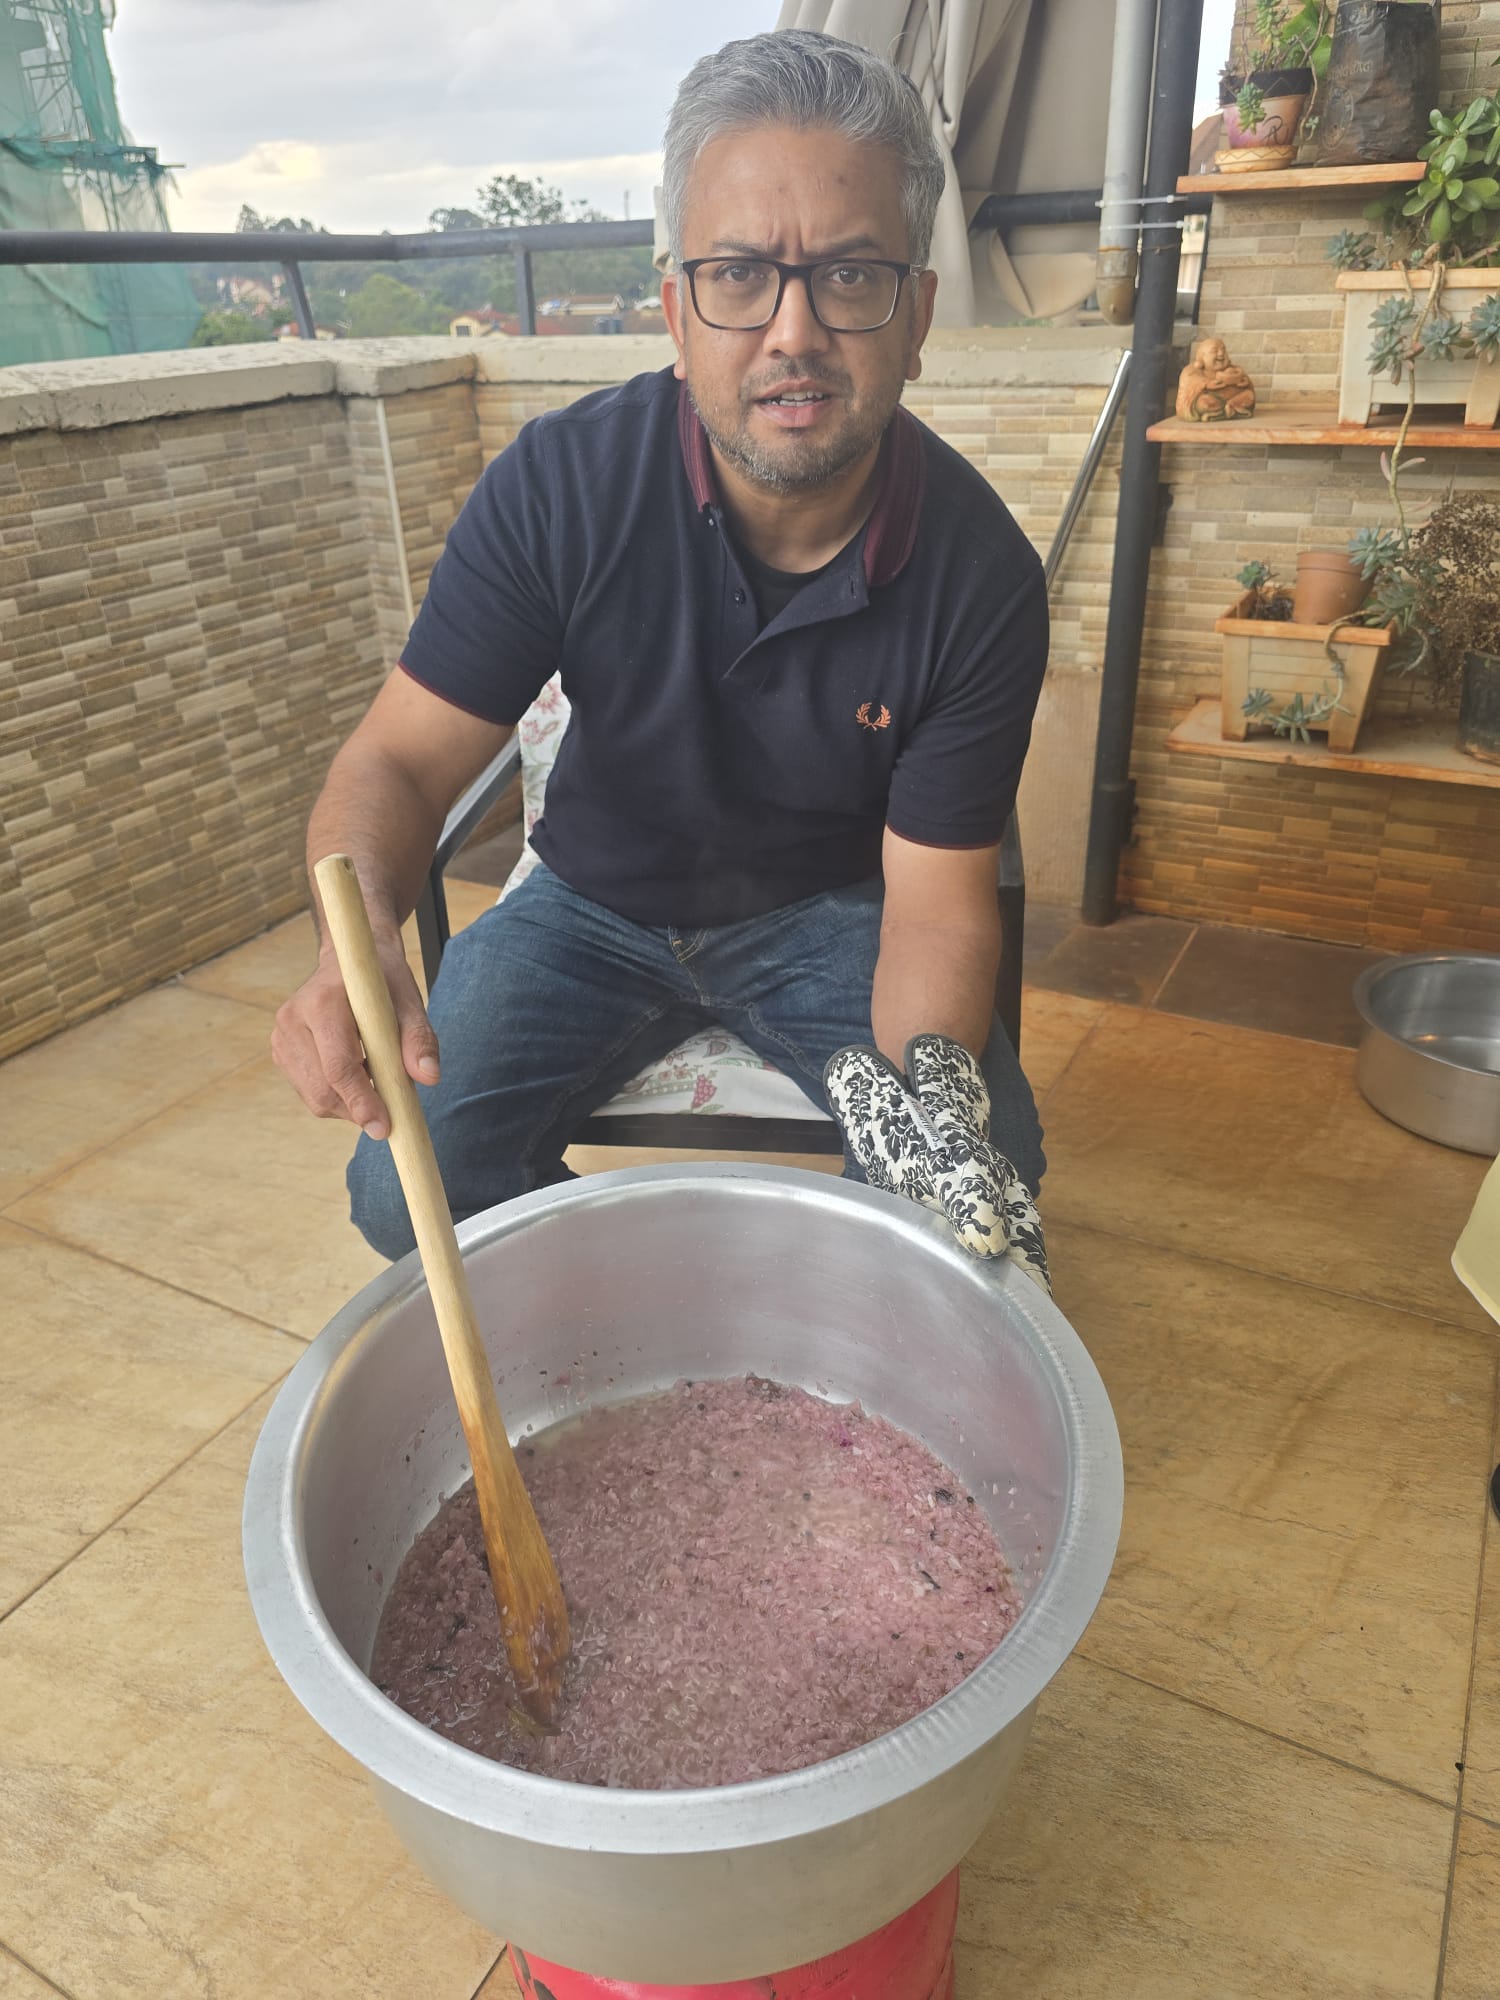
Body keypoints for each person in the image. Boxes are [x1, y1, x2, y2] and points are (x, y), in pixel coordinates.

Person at [272, 29, 1051, 1287]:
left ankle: (816, 1317)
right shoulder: (562, 487)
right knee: (393, 1181)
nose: (793, 331)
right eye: (741, 274)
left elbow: (937, 905)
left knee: (976, 1157)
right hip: (588, 904)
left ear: (916, 312)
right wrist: (350, 935)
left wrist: (932, 1124)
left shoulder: (980, 577)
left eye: (850, 276)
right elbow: (402, 763)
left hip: (828, 918)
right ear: (679, 307)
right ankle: (676, 1304)